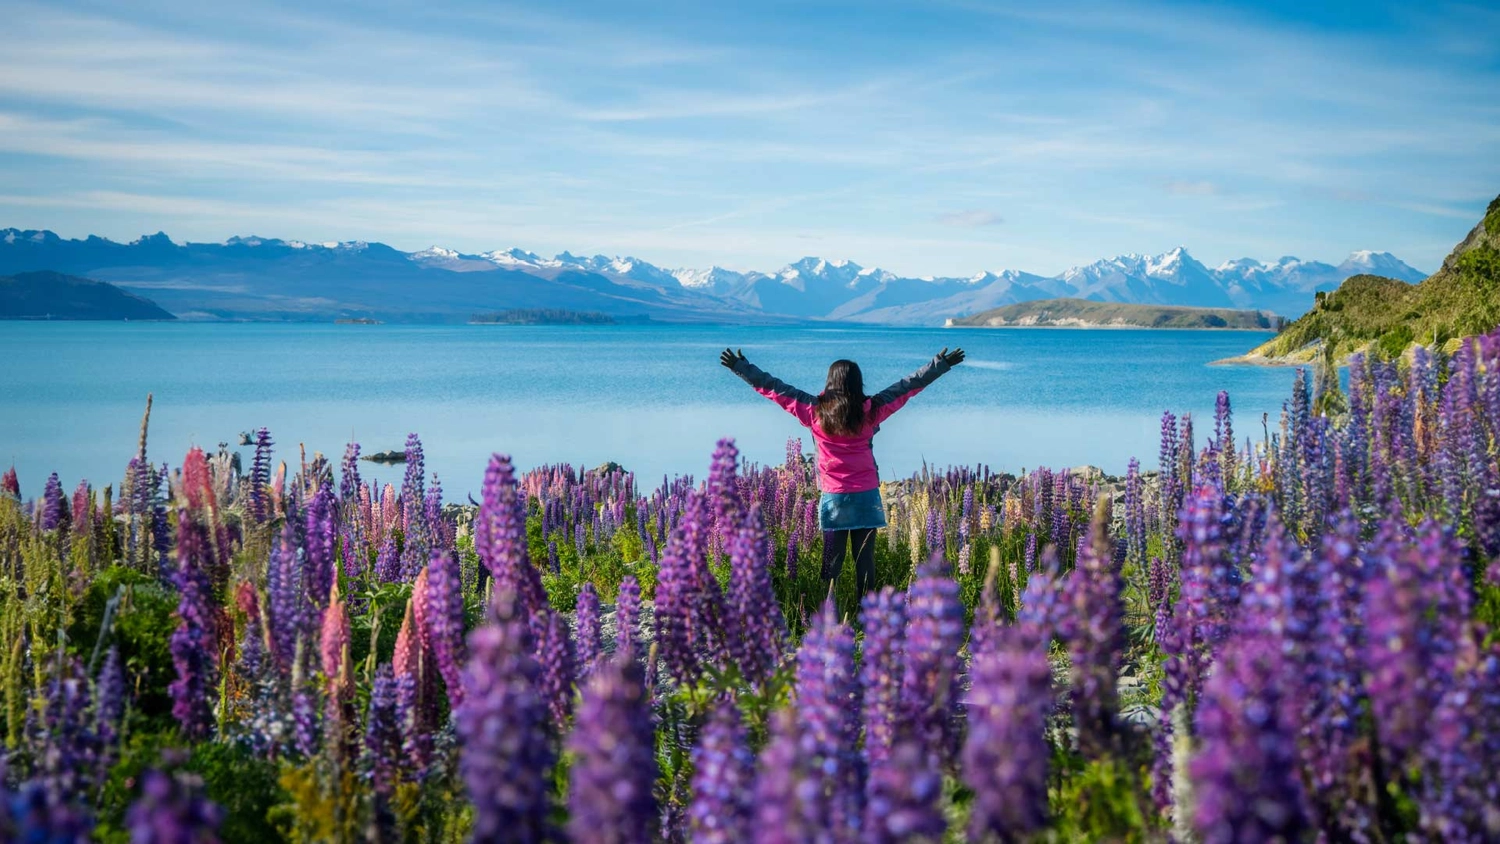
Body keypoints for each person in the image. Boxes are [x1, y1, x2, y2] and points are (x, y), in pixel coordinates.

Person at [720, 346, 965, 595]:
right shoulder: (872, 410)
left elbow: (775, 389)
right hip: (867, 495)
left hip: (834, 496)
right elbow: (908, 387)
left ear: (830, 382)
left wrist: (741, 367)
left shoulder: (813, 411)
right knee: (865, 560)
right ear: (858, 383)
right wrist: (940, 364)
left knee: (831, 563)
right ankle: (867, 614)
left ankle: (829, 613)